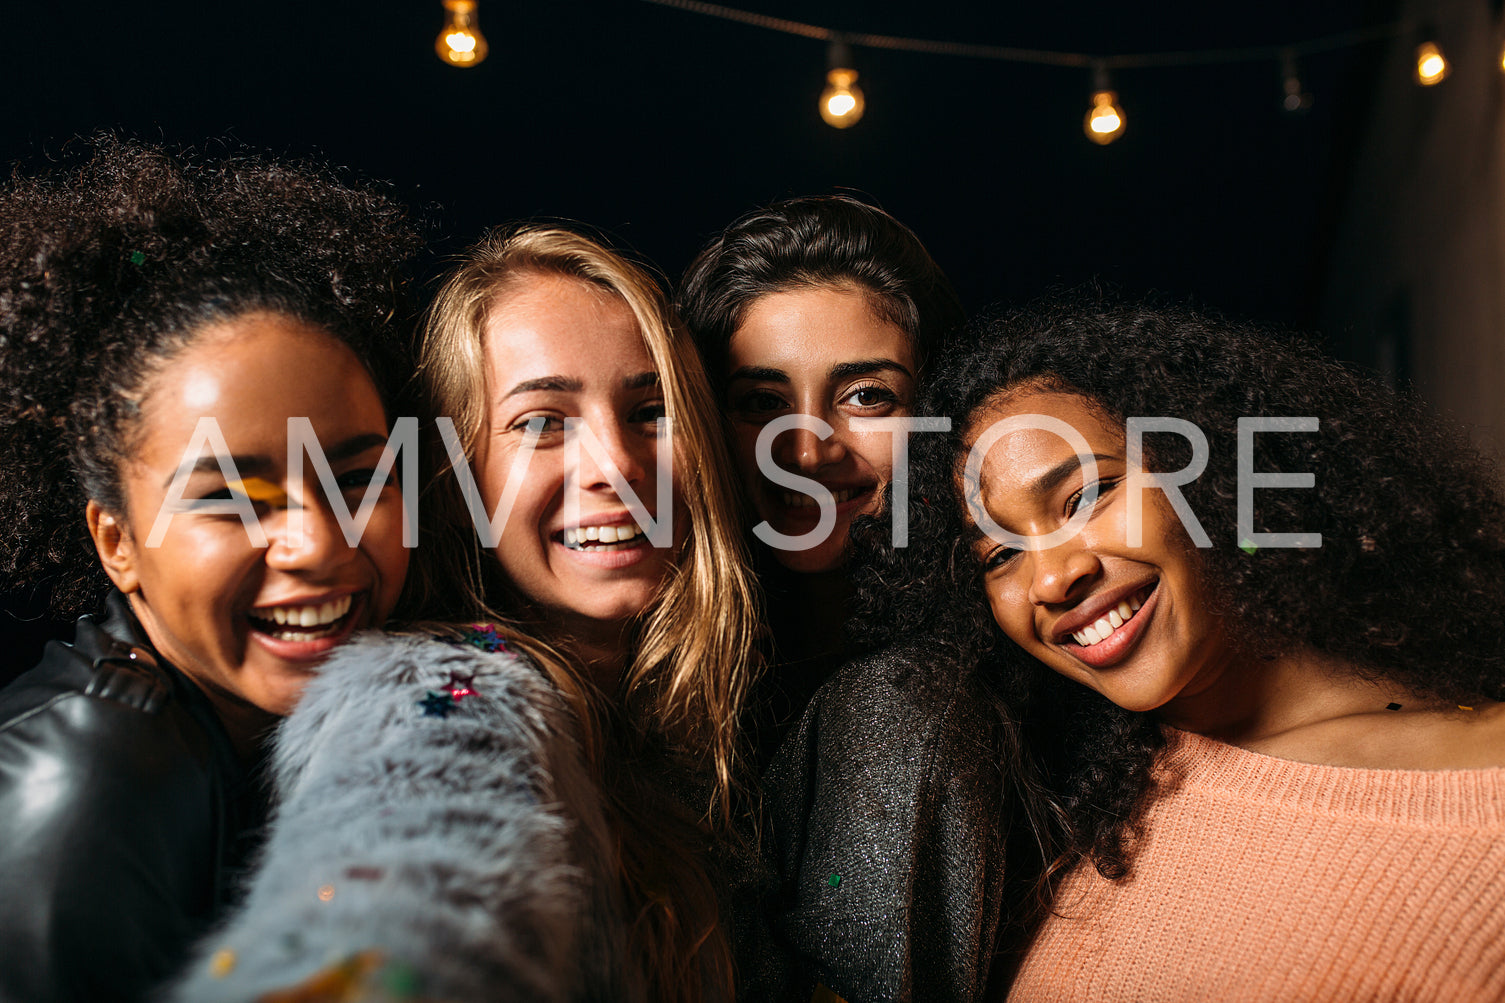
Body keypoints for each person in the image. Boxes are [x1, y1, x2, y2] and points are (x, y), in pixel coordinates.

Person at [173, 226, 771, 1003]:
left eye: (650, 409)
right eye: (542, 421)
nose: (617, 465)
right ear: (455, 484)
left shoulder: (702, 722)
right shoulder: (439, 695)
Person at [862, 296, 1505, 999]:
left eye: (1086, 496)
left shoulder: (1480, 794)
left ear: (1210, 471)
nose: (1050, 577)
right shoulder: (1069, 822)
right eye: (999, 555)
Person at [0, 137, 420, 1002]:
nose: (317, 542)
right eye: (233, 497)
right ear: (117, 542)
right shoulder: (88, 791)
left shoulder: (252, 736)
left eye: (355, 478)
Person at [680, 197, 1028, 1002]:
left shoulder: (901, 708)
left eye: (866, 395)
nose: (804, 447)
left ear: (939, 415)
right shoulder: (695, 669)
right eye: (759, 401)